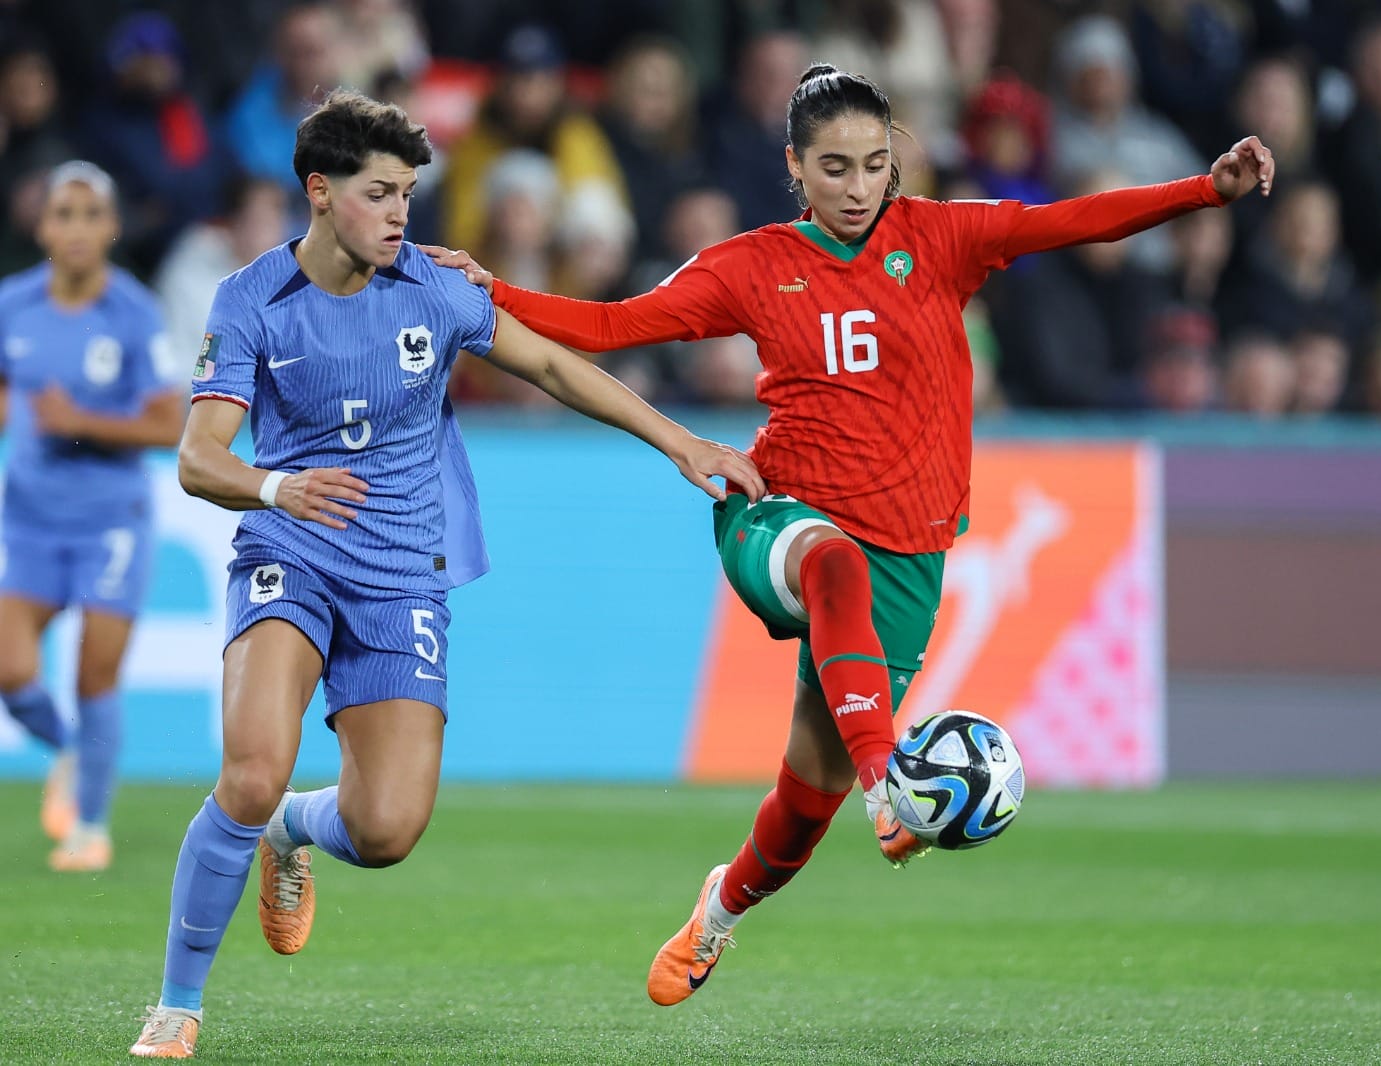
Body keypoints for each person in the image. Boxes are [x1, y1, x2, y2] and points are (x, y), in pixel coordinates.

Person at [427, 64, 1273, 1006]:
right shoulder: (751, 265)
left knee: (801, 805)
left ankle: (722, 911)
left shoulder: (942, 239)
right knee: (833, 569)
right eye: (835, 168)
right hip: (775, 507)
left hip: (911, 552)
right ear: (795, 165)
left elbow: (1072, 219)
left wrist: (1206, 190)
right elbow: (615, 324)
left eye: (876, 164)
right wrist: (497, 291)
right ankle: (889, 781)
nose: (860, 187)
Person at [127, 90, 761, 1058]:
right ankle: (177, 1002)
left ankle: (293, 835)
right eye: (380, 193)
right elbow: (197, 458)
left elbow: (548, 366)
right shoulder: (250, 297)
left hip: (399, 574)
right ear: (320, 191)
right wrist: (277, 486)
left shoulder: (432, 286)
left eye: (409, 196)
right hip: (289, 552)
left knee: (384, 829)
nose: (398, 214)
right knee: (250, 772)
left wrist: (677, 441)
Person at [0, 161, 184, 874]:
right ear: (41, 226)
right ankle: (71, 753)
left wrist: (81, 422)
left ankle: (91, 828)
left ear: (111, 227)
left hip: (110, 518)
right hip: (32, 519)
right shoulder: (13, 304)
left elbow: (170, 424)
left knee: (94, 677)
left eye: (90, 215)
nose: (75, 229)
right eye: (62, 214)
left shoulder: (134, 314)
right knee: (13, 674)